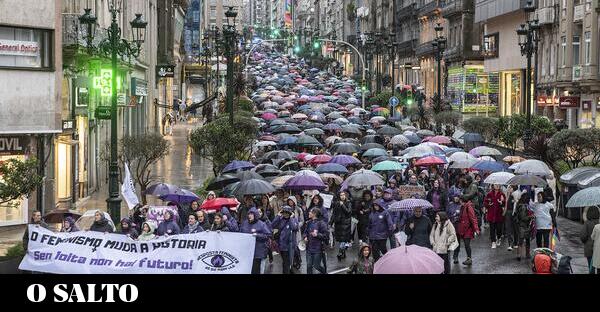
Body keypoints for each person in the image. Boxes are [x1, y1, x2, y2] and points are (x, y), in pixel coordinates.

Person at [240, 207, 272, 274]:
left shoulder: (261, 224)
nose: (250, 215)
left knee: (256, 270)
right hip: (247, 251)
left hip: (258, 251)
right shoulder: (245, 223)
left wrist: (257, 235)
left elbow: (268, 235)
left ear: (256, 215)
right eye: (249, 214)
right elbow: (240, 233)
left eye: (252, 214)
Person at [271, 205, 299, 274]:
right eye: (284, 212)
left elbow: (294, 227)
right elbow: (272, 225)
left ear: (290, 213)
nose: (285, 214)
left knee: (287, 263)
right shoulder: (280, 219)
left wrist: (291, 218)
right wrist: (278, 216)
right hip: (281, 245)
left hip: (290, 245)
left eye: (287, 212)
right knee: (286, 262)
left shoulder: (293, 220)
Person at [303, 208, 328, 274]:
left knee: (316, 266)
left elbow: (326, 236)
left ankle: (324, 272)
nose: (309, 213)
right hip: (309, 248)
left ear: (315, 214)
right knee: (308, 266)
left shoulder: (321, 223)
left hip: (318, 249)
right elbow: (305, 232)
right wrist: (305, 237)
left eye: (310, 212)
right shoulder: (309, 223)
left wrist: (317, 235)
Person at [456, 196, 480, 266]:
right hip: (463, 228)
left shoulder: (468, 207)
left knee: (467, 244)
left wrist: (476, 229)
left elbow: (473, 218)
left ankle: (469, 259)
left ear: (462, 200)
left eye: (460, 200)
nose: (459, 202)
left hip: (468, 229)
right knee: (466, 244)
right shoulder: (463, 207)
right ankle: (469, 258)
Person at [330, 191, 353, 261]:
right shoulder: (336, 203)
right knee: (341, 240)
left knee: (343, 239)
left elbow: (348, 212)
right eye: (341, 195)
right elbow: (334, 213)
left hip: (346, 224)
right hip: (338, 223)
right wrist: (331, 222)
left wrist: (342, 205)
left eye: (343, 195)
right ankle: (343, 253)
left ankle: (340, 252)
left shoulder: (348, 203)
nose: (342, 196)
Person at [484, 184, 506, 249]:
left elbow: (505, 204)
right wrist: (488, 204)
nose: (496, 186)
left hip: (499, 214)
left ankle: (498, 238)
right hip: (491, 214)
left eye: (498, 185)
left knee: (499, 229)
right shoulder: (489, 194)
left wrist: (502, 202)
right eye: (495, 185)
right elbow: (485, 202)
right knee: (492, 229)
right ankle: (493, 242)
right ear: (493, 186)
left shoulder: (502, 194)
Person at [515, 192, 534, 261]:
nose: (529, 200)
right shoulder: (523, 206)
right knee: (524, 240)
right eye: (529, 198)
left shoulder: (520, 205)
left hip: (521, 225)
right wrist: (530, 216)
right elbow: (523, 217)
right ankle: (525, 254)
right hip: (523, 226)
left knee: (521, 240)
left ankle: (519, 255)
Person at [580, 206, 599, 274]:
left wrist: (586, 242)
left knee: (591, 268)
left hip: (589, 249)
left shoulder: (587, 223)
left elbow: (583, 236)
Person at [504, 186, 520, 251]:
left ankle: (516, 243)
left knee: (515, 228)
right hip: (508, 212)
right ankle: (510, 244)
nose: (509, 189)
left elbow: (518, 203)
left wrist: (516, 201)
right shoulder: (508, 195)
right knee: (508, 228)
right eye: (508, 187)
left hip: (515, 213)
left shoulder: (516, 194)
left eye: (510, 187)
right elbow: (506, 205)